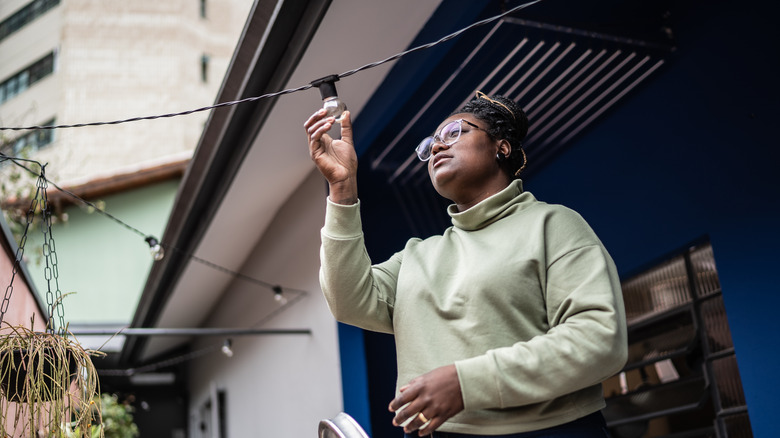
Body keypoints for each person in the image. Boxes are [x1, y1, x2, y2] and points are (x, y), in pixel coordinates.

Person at [304, 92, 627, 437]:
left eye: (455, 132)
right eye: (431, 145)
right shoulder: (416, 256)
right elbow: (347, 301)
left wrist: (467, 382)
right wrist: (342, 189)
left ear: (501, 147)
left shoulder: (552, 224)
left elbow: (599, 338)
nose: (438, 148)